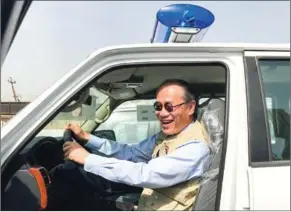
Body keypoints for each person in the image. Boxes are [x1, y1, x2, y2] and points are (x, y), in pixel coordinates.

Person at [47, 79, 211, 211]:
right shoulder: (169, 136)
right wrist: (88, 138)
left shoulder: (195, 147)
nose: (162, 113)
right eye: (158, 106)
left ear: (190, 108)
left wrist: (87, 159)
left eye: (169, 107)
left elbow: (144, 174)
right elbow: (131, 153)